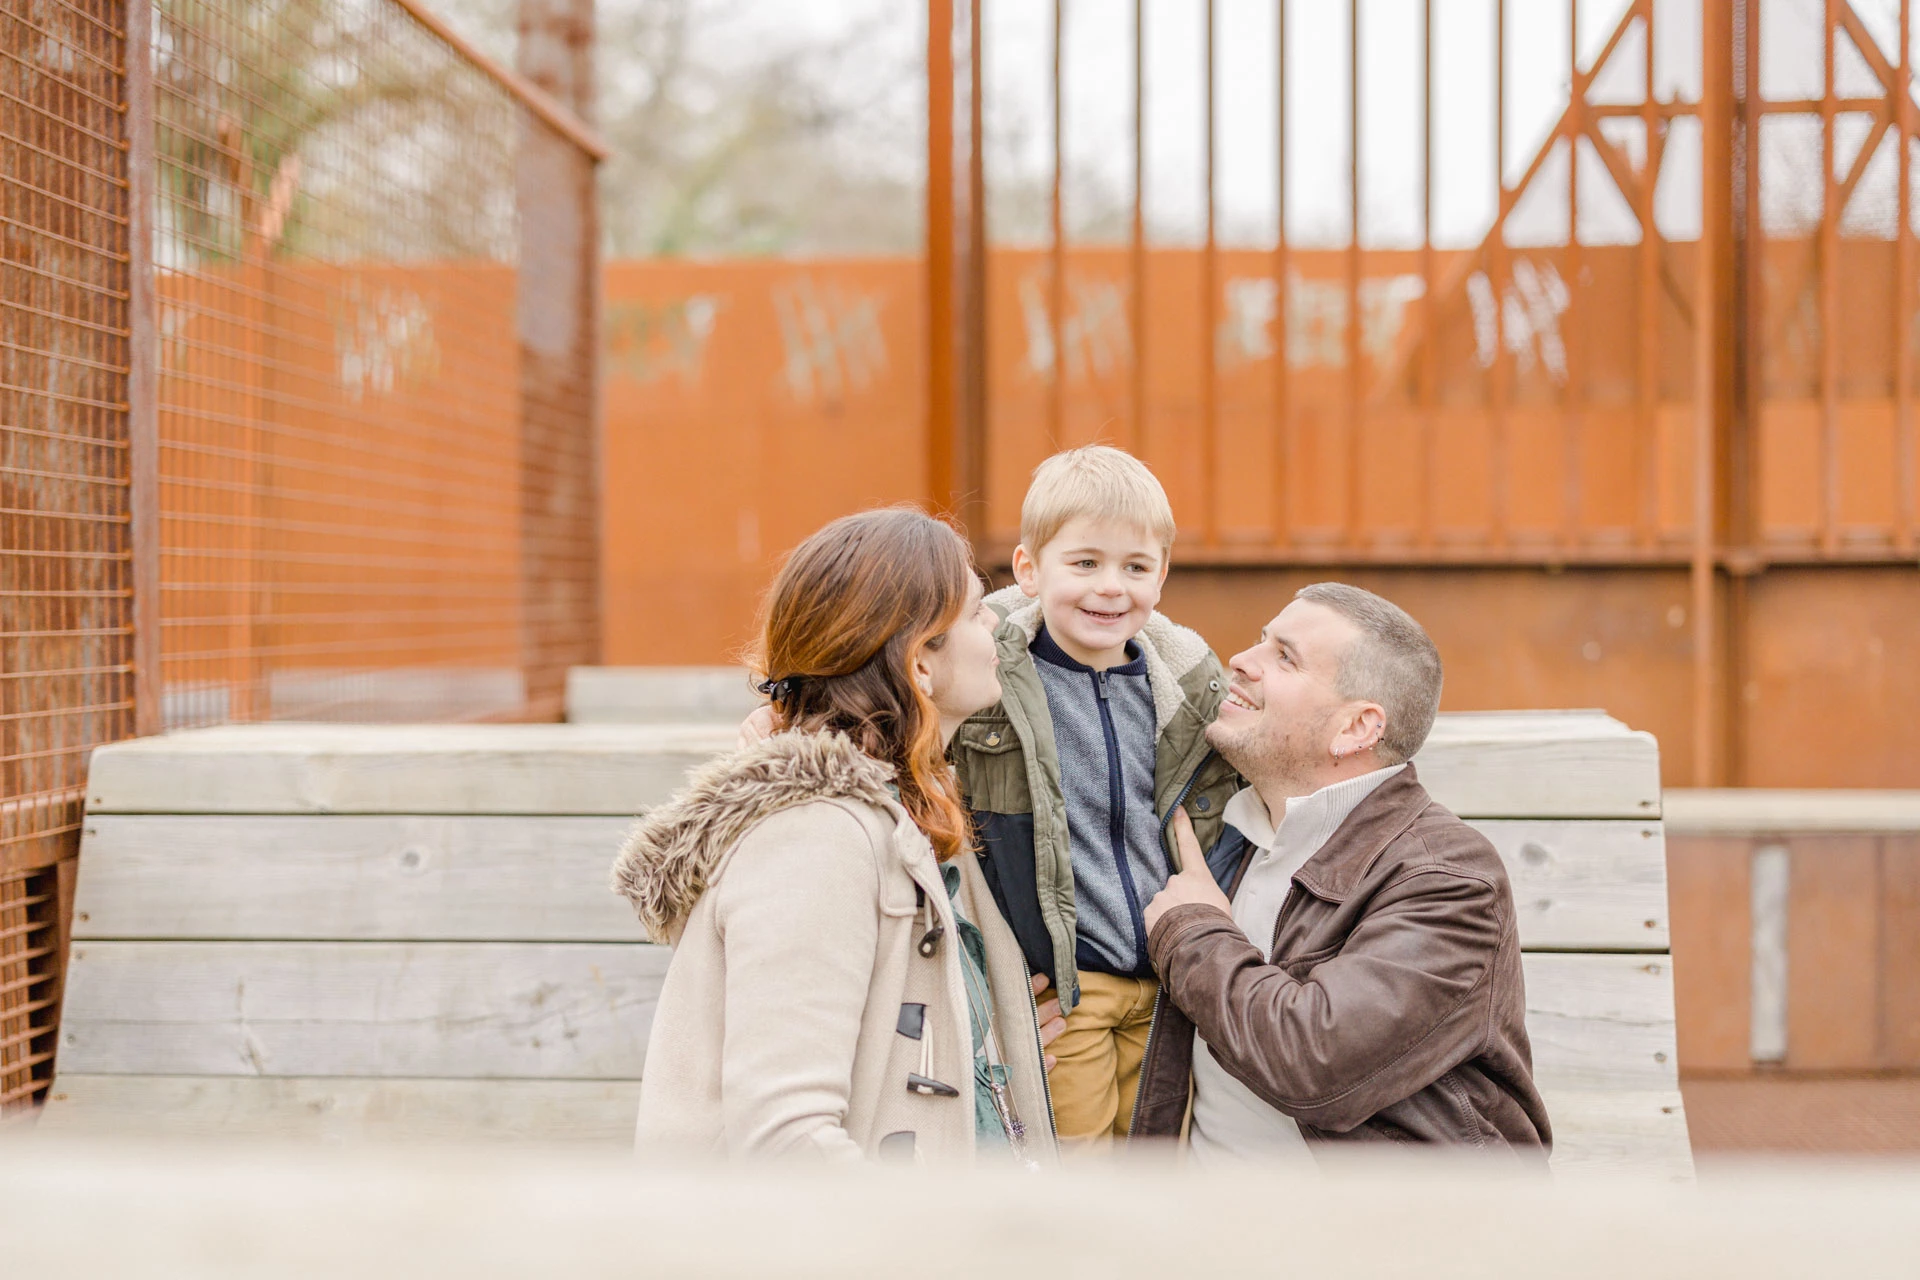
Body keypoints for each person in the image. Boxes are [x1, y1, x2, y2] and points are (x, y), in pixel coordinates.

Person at [611, 508, 1064, 1163]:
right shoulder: (813, 839)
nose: (996, 620)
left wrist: (980, 1062)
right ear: (920, 663)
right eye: (973, 612)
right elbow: (785, 1141)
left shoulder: (912, 811)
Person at [1133, 583, 1552, 1158]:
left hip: (1384, 1237)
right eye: (1261, 641)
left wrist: (1195, 930)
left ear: (1355, 729)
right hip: (1203, 1230)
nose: (1240, 661)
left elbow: (1316, 1063)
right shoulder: (1224, 836)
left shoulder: (1446, 877)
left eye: (1285, 657)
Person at [951, 446, 1241, 1151]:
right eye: (1084, 563)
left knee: (1157, 1160)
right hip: (1067, 985)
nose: (1110, 588)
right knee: (1077, 1163)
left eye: (1135, 567)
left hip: (1170, 987)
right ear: (1029, 569)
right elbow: (896, 714)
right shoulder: (993, 686)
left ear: (1161, 575)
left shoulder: (1184, 690)